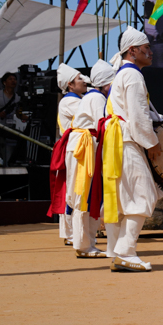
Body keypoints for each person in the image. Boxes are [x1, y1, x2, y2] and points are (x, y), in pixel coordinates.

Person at [100, 27, 163, 273]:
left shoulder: (125, 74)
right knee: (142, 194)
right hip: (126, 140)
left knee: (129, 196)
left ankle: (121, 251)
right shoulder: (132, 75)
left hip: (120, 140)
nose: (151, 52)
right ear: (132, 51)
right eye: (146, 48)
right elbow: (138, 115)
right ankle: (125, 253)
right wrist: (152, 142)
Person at [68, 60, 114, 258]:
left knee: (87, 195)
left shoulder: (94, 96)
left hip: (84, 147)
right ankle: (84, 245)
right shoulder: (96, 98)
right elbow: (102, 125)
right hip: (83, 148)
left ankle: (86, 243)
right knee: (83, 196)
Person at [49, 64, 88, 245]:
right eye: (80, 78)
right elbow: (90, 114)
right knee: (72, 189)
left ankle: (71, 232)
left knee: (73, 188)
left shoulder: (78, 99)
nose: (84, 81)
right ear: (70, 85)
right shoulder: (70, 101)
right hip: (74, 148)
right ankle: (71, 233)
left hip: (77, 148)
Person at [0, 71, 21, 165]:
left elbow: (18, 113)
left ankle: (13, 160)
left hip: (8, 126)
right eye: (10, 79)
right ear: (4, 82)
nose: (13, 81)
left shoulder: (17, 97)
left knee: (22, 137)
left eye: (15, 79)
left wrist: (26, 117)